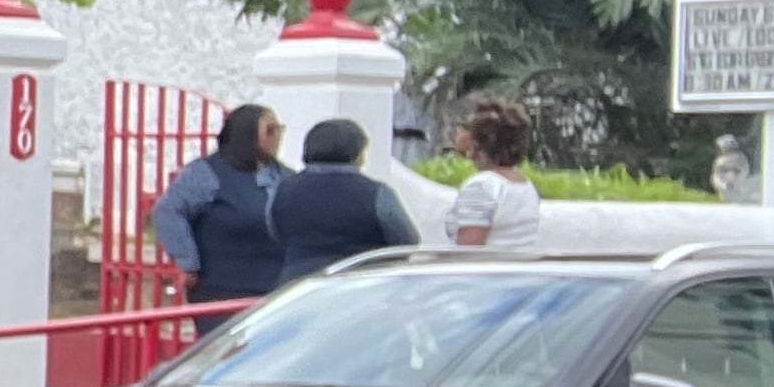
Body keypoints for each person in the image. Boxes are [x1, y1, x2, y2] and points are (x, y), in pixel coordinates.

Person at [150, 102, 287, 307]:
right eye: (270, 130)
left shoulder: (285, 176)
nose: (277, 136)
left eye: (279, 129)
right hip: (222, 291)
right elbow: (168, 210)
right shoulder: (206, 173)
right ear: (246, 135)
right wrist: (188, 262)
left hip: (276, 289)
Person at [269, 117, 419, 276]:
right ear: (355, 155)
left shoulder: (282, 188)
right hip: (359, 282)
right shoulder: (376, 193)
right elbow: (407, 241)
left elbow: (275, 230)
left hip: (298, 284)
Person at [446, 98, 545, 251]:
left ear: (476, 142)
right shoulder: (525, 184)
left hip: (485, 272)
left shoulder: (482, 186)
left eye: (466, 128)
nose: (458, 131)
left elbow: (468, 252)